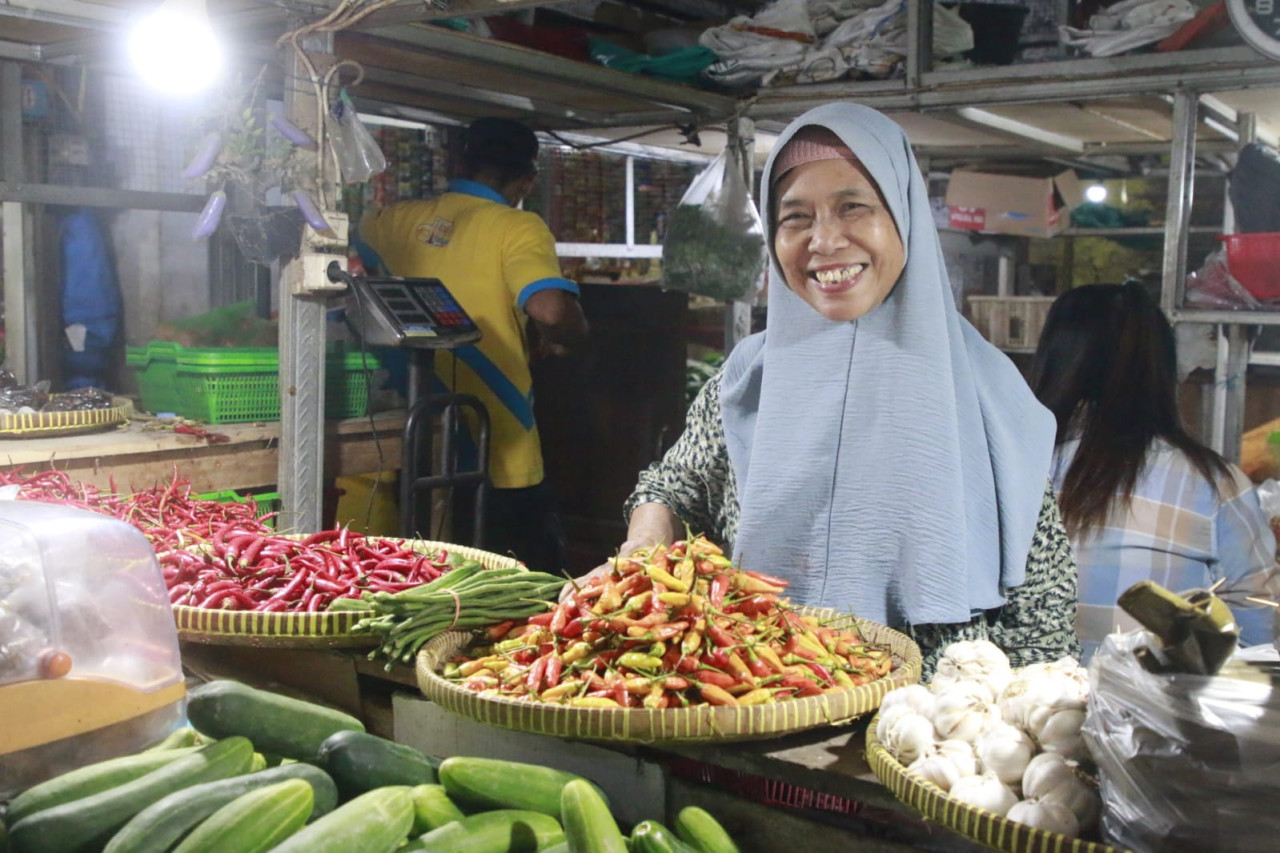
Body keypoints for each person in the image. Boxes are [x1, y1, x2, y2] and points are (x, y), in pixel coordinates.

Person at [600, 103, 1080, 675]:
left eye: (853, 207)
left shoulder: (986, 393)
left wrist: (992, 725)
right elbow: (678, 484)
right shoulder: (748, 377)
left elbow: (1042, 610)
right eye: (795, 217)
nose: (824, 241)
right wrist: (645, 539)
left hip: (917, 730)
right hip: (751, 701)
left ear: (903, 217)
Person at [357, 117, 588, 574]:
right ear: (527, 179)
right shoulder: (517, 227)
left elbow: (354, 248)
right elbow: (550, 309)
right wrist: (572, 332)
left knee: (421, 571)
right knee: (528, 582)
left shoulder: (392, 220)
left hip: (415, 426)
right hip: (496, 442)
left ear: (459, 161)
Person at [1030, 282, 1277, 661]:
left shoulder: (1009, 470)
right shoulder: (1214, 485)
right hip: (1159, 715)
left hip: (1014, 712)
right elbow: (1261, 635)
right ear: (1161, 371)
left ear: (1053, 363)